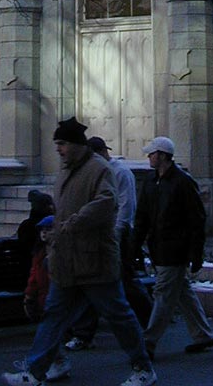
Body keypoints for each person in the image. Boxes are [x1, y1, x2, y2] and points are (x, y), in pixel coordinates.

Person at [2, 117, 155, 386]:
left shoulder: (99, 169)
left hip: (94, 260)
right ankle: (37, 371)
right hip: (66, 260)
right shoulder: (66, 171)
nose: (58, 149)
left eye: (62, 143)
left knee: (118, 315)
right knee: (54, 316)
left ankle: (143, 368)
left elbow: (106, 202)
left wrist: (74, 222)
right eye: (57, 144)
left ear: (76, 144)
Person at [132, 136, 213, 357]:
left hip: (175, 249)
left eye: (152, 154)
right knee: (182, 292)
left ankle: (148, 342)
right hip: (159, 247)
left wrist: (196, 253)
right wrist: (135, 245)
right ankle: (203, 334)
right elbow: (142, 217)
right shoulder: (151, 181)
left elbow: (196, 219)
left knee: (163, 293)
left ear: (162, 155)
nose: (149, 157)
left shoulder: (182, 182)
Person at [65, 136, 151, 350]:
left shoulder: (120, 172)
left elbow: (126, 205)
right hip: (95, 235)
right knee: (89, 282)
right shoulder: (91, 173)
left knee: (125, 281)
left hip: (116, 235)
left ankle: (150, 323)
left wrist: (117, 233)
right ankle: (83, 333)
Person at [18, 218, 72, 383]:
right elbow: (34, 276)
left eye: (48, 229)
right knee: (49, 332)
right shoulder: (40, 253)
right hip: (43, 297)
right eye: (42, 230)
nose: (44, 233)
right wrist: (29, 295)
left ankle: (53, 364)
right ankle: (56, 362)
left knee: (50, 332)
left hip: (55, 296)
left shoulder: (60, 252)